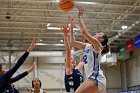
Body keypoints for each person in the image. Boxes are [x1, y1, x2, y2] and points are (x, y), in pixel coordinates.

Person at [69, 6, 109, 93]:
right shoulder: (87, 46)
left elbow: (84, 32)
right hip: (94, 79)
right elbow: (72, 42)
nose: (96, 33)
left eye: (99, 34)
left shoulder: (98, 46)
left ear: (101, 40)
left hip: (96, 78)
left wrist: (79, 17)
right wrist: (71, 27)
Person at [61, 23, 84, 93]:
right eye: (70, 59)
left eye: (72, 58)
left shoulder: (76, 70)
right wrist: (65, 36)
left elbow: (82, 61)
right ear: (67, 63)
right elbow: (68, 50)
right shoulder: (68, 70)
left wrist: (84, 47)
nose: (73, 59)